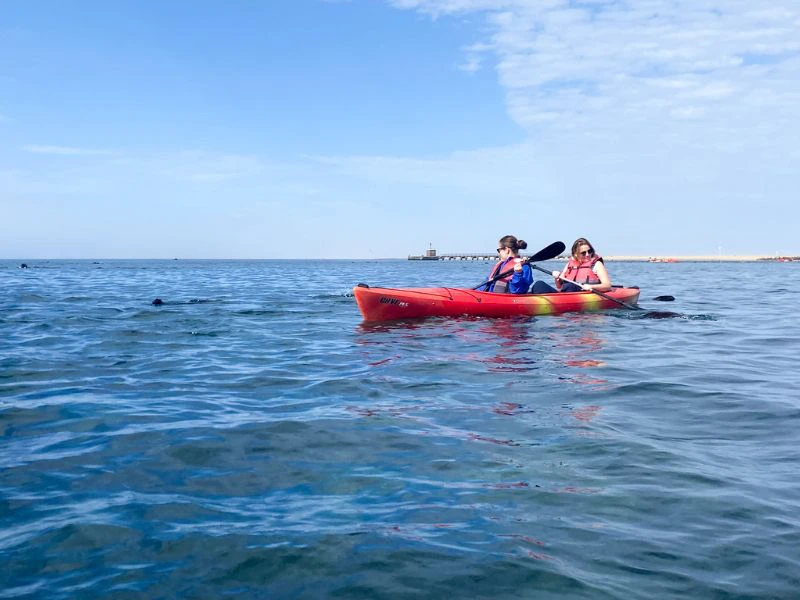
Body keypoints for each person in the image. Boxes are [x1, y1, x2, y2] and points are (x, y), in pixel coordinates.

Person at [531, 237, 612, 293]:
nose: (588, 254)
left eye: (589, 251)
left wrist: (591, 287)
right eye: (583, 253)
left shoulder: (597, 264)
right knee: (539, 285)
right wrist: (557, 278)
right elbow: (559, 287)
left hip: (583, 295)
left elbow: (607, 285)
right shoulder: (569, 264)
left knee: (570, 286)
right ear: (576, 254)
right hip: (566, 295)